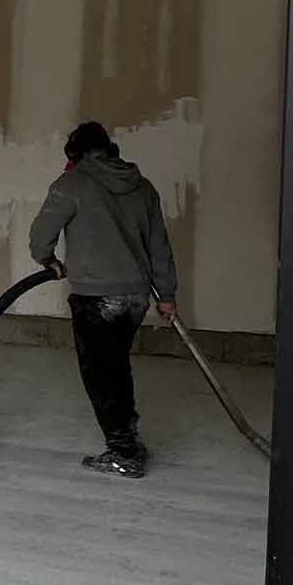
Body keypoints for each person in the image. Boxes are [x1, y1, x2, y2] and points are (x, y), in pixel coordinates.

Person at [28, 119, 178, 479]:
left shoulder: (71, 184)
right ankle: (129, 439)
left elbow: (40, 237)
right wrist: (167, 295)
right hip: (135, 298)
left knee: (100, 375)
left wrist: (49, 262)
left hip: (96, 298)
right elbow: (159, 247)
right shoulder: (143, 187)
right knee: (117, 367)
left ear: (75, 154)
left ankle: (123, 452)